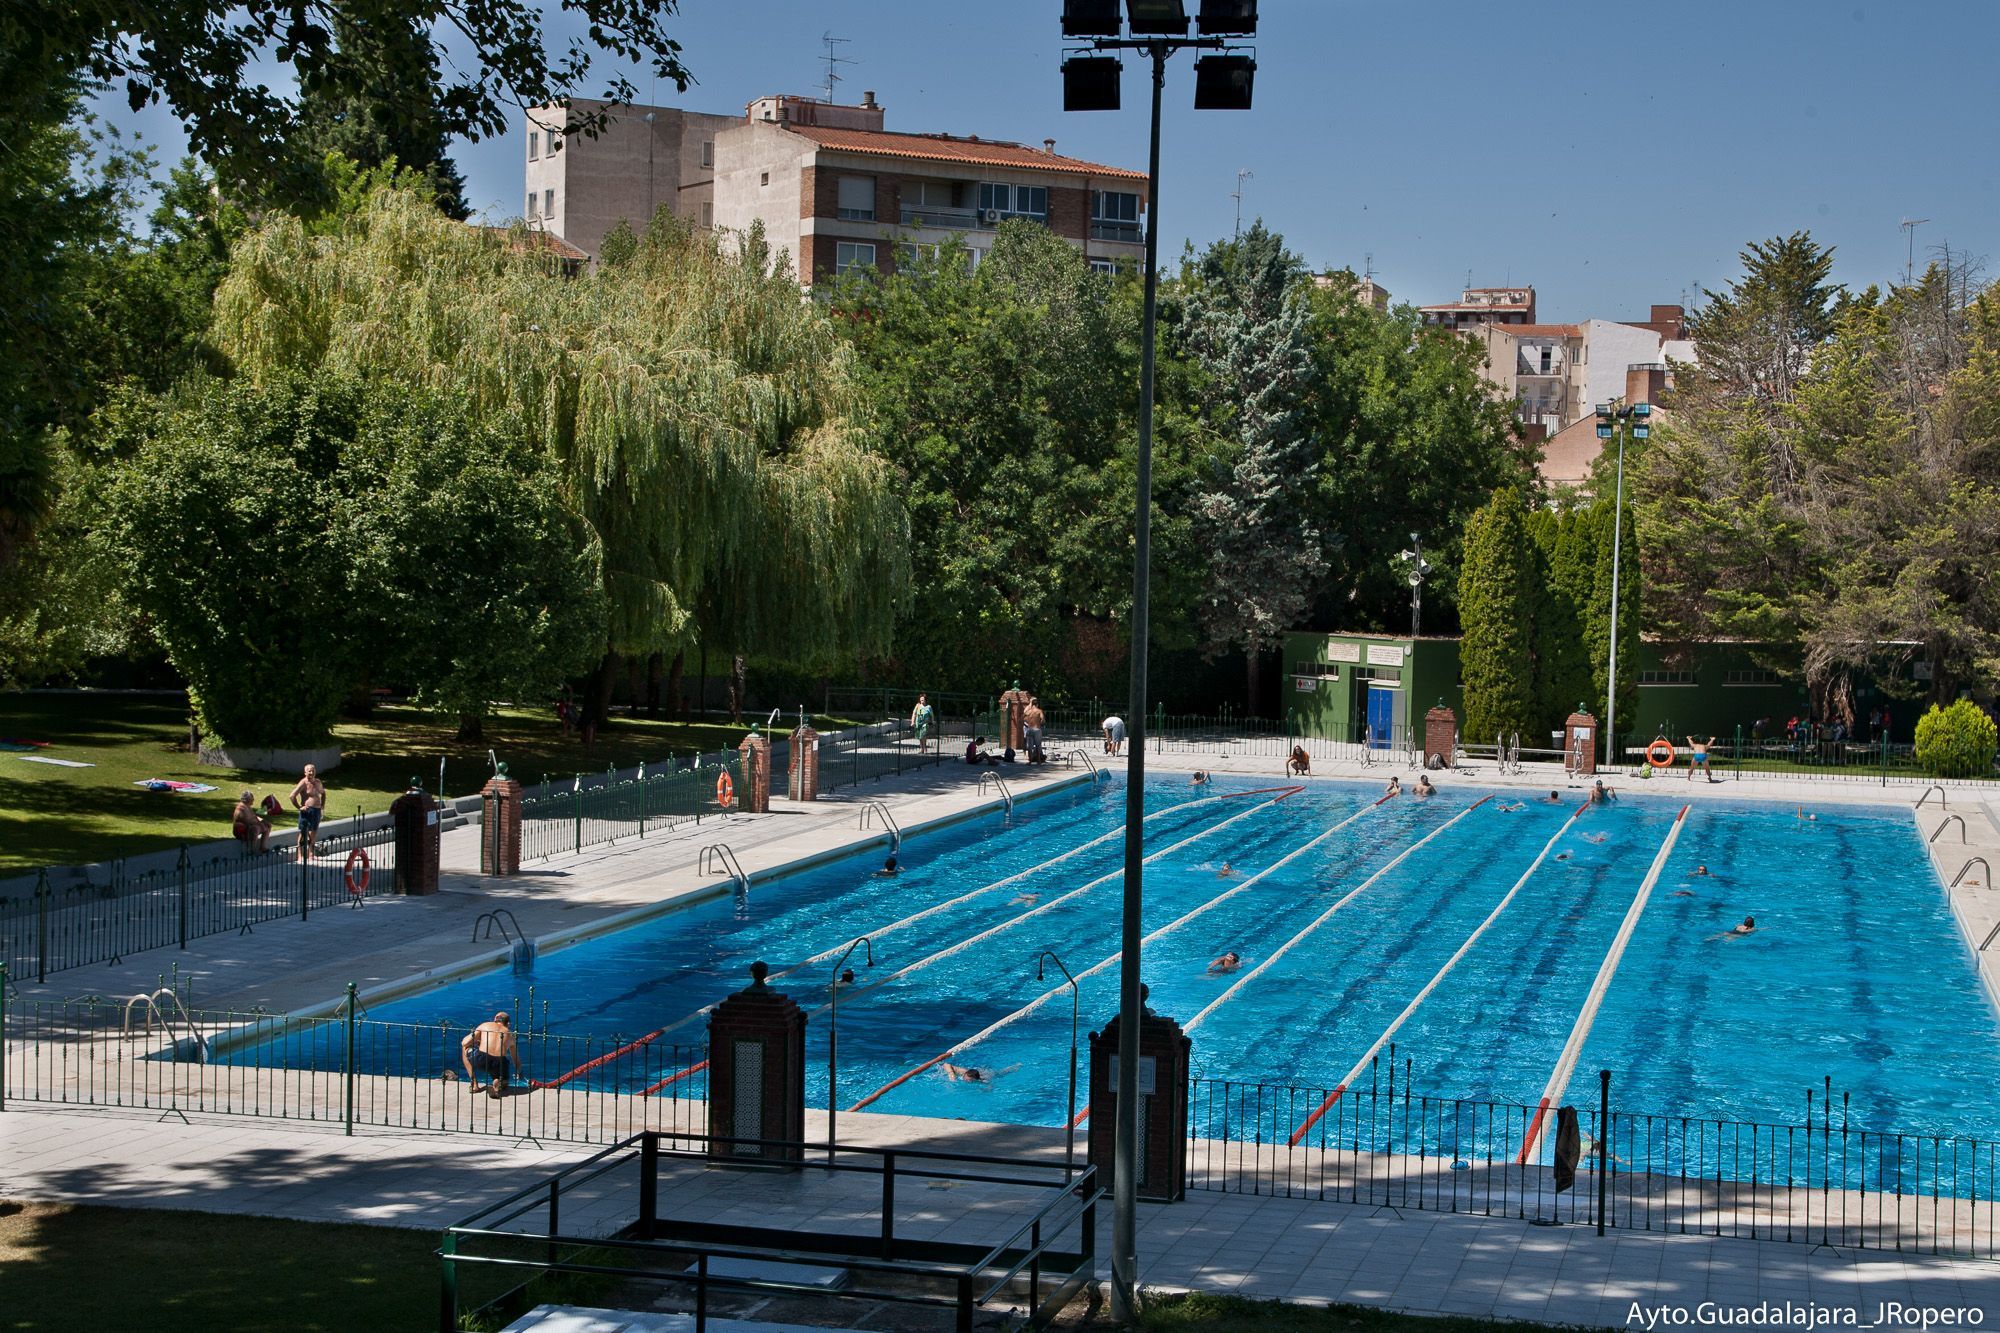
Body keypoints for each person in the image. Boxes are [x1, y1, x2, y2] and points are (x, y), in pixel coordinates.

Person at [460, 1012, 520, 1099]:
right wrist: (519, 1072)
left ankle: (474, 1084)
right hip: (499, 1064)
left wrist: (477, 1041)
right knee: (505, 1079)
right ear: (508, 1024)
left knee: (465, 1047)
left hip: (482, 1060)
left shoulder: (485, 1025)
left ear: (494, 1019)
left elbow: (464, 1042)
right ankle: (499, 1081)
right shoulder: (511, 1036)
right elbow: (516, 1060)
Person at [290, 763, 326, 862]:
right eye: (309, 770)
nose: (311, 772)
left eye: (313, 770)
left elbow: (323, 793)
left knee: (313, 832)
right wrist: (299, 807)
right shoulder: (303, 783)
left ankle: (311, 855)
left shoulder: (318, 782)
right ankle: (299, 855)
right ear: (305, 772)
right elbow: (292, 796)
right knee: (303, 832)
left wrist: (322, 806)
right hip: (307, 811)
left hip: (316, 811)